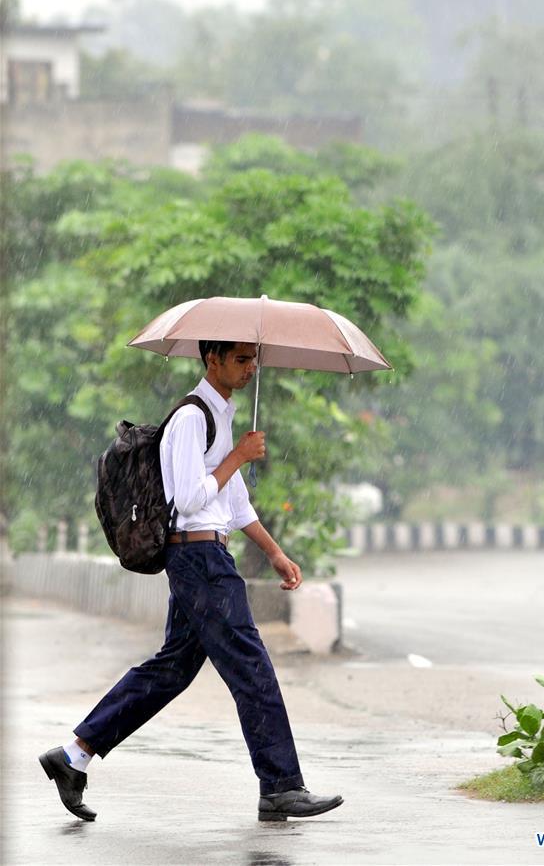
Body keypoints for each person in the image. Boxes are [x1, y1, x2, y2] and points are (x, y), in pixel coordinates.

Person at [39, 339, 343, 823]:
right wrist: (238, 456)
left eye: (252, 359)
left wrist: (275, 551)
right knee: (251, 666)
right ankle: (281, 786)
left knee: (172, 669)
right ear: (212, 359)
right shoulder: (190, 418)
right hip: (197, 557)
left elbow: (234, 502)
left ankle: (74, 756)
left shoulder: (220, 418)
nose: (250, 368)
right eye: (240, 359)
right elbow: (190, 498)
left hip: (207, 554)